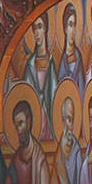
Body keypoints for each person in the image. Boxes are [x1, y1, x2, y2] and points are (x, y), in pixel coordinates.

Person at [21, 13, 58, 142]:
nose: (37, 33)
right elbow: (26, 93)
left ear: (46, 29)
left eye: (40, 27)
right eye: (34, 28)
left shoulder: (52, 62)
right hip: (35, 119)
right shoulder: (30, 64)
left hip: (50, 121)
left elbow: (56, 94)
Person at [49, 94, 83, 184]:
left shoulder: (77, 149)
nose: (68, 124)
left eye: (71, 119)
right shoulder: (58, 153)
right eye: (65, 119)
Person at [58, 3, 85, 93]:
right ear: (65, 28)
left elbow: (82, 88)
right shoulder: (61, 60)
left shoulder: (78, 57)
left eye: (74, 25)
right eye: (70, 25)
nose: (72, 30)